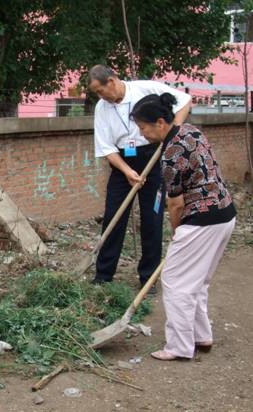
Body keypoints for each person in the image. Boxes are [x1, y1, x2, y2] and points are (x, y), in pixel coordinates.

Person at [130, 93, 236, 360]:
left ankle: (179, 347)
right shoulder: (191, 131)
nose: (142, 134)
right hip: (225, 213)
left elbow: (175, 205)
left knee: (175, 281)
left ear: (160, 122)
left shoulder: (169, 156)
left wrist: (178, 234)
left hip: (201, 220)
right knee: (198, 280)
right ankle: (202, 336)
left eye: (143, 128)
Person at [88, 65, 192, 291]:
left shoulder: (145, 89)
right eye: (96, 93)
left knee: (152, 219)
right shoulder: (101, 108)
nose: (99, 96)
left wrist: (173, 133)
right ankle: (103, 275)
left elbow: (185, 100)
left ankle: (148, 277)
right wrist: (127, 171)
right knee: (113, 217)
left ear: (112, 81)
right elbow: (106, 147)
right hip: (122, 164)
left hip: (153, 159)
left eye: (100, 90)